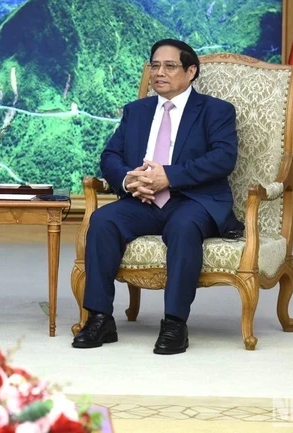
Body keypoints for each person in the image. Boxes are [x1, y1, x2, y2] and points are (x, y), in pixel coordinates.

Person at [73, 39, 243, 354]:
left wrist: (169, 176)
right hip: (142, 201)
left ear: (191, 71)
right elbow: (110, 155)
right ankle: (99, 318)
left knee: (182, 227)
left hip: (193, 201)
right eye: (154, 65)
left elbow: (223, 158)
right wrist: (129, 180)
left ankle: (175, 323)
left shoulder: (215, 111)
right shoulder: (136, 111)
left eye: (169, 66)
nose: (159, 72)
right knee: (102, 220)